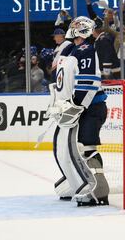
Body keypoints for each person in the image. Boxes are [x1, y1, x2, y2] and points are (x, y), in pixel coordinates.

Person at [48, 17, 110, 207]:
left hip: (91, 107)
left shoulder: (87, 50)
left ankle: (99, 190)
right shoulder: (71, 50)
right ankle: (74, 180)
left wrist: (77, 105)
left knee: (86, 147)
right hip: (79, 106)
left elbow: (89, 82)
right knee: (66, 146)